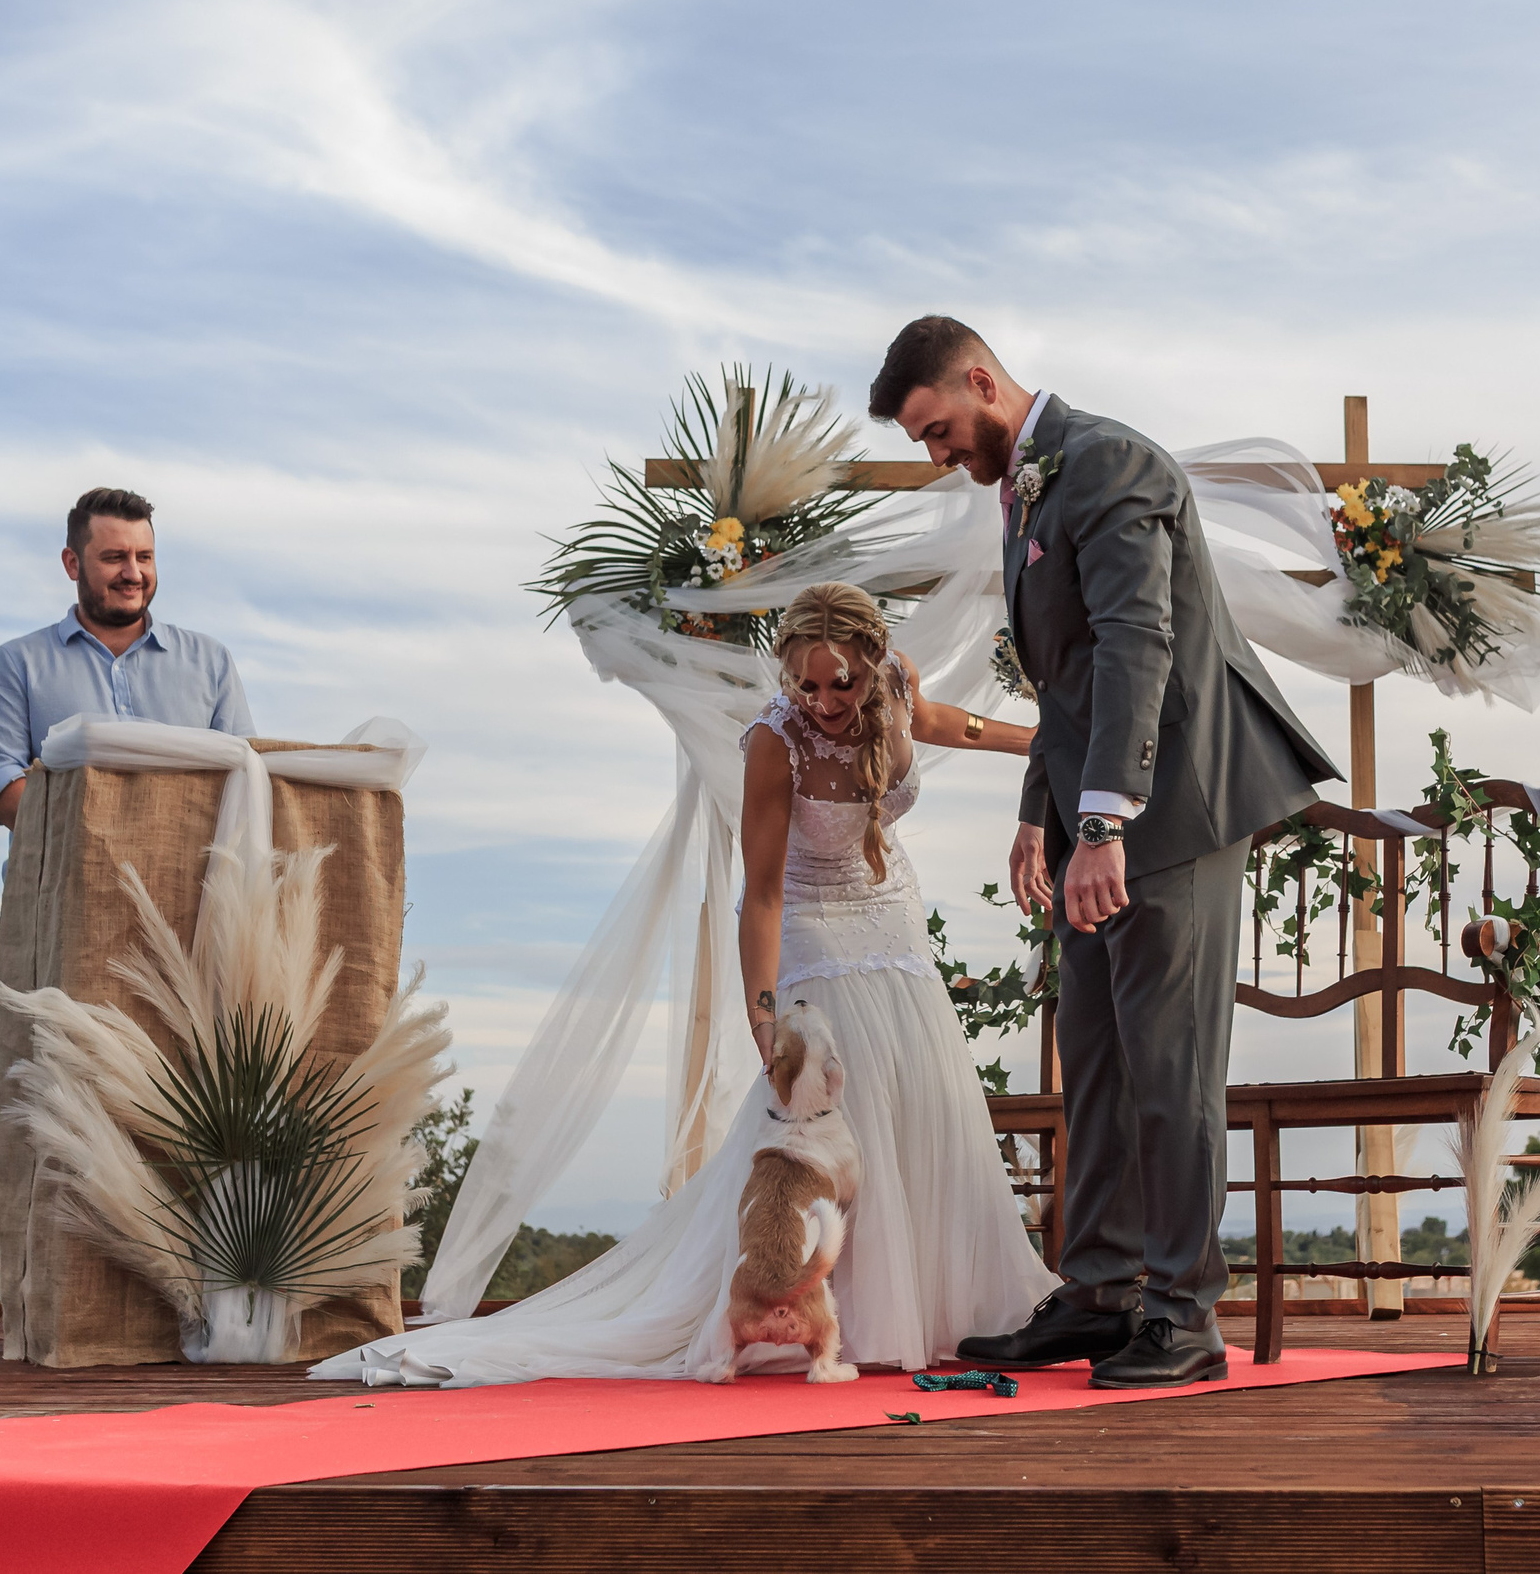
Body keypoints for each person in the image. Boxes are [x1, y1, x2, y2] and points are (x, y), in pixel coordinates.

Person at [313, 582, 1056, 1387]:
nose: (824, 700)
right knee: (841, 1116)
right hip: (812, 925)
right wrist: (764, 1013)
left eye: (841, 681)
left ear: (874, 664)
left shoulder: (896, 685)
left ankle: (933, 1305)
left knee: (920, 1099)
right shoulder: (776, 743)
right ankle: (815, 1311)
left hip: (894, 919)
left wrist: (1039, 742)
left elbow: (945, 723)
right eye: (806, 684)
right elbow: (763, 892)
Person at [871, 316, 1340, 1389]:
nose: (935, 455)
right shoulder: (1031, 487)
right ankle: (1100, 1295)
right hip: (1099, 814)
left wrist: (1101, 825)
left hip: (1173, 808)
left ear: (982, 383)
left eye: (938, 429)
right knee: (1093, 1060)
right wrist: (1041, 809)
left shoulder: (1113, 464)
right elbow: (1064, 677)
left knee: (1169, 1073)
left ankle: (1182, 1315)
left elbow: (1138, 644)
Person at [0, 486, 254, 827]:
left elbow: (247, 774)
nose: (133, 574)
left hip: (188, 880)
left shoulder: (211, 662)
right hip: (64, 880)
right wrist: (101, 831)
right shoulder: (17, 663)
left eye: (144, 557)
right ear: (73, 564)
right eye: (115, 558)